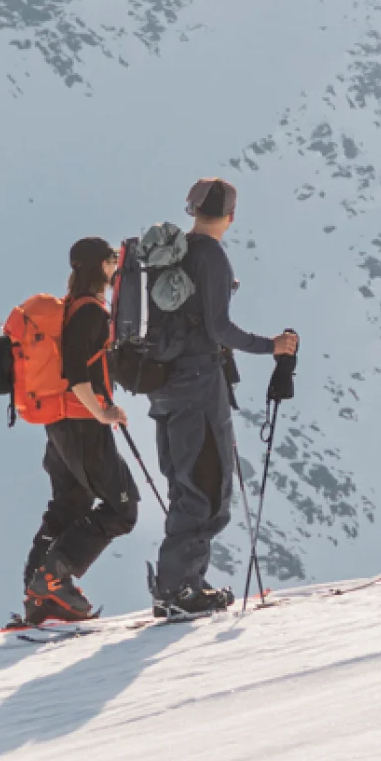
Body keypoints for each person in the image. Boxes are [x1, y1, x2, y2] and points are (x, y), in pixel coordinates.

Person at [144, 178, 298, 619]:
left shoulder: (171, 256)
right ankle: (179, 590)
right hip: (198, 384)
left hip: (165, 385)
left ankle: (181, 583)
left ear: (191, 209)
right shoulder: (209, 256)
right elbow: (218, 329)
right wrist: (273, 346)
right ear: (230, 217)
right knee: (207, 485)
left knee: (184, 480)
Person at [21, 237, 140, 624]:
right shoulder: (90, 312)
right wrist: (103, 412)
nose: (115, 267)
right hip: (80, 422)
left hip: (58, 423)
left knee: (69, 506)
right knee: (122, 508)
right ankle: (55, 577)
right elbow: (76, 374)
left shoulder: (70, 308)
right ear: (102, 266)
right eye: (111, 261)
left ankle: (40, 597)